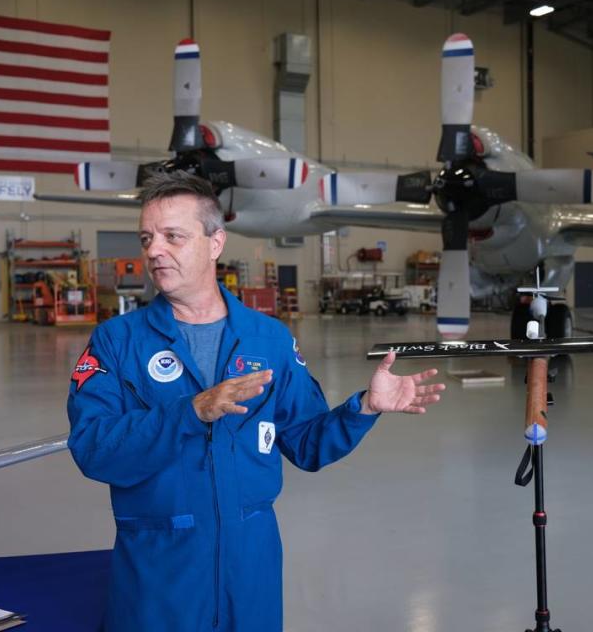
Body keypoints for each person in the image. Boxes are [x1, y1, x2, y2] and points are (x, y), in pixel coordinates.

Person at [66, 171, 444, 631]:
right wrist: (190, 412)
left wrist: (363, 406)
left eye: (173, 236)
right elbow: (93, 448)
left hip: (251, 568)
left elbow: (307, 443)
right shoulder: (116, 342)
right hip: (159, 572)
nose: (154, 251)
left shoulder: (268, 339)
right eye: (147, 238)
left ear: (215, 242)